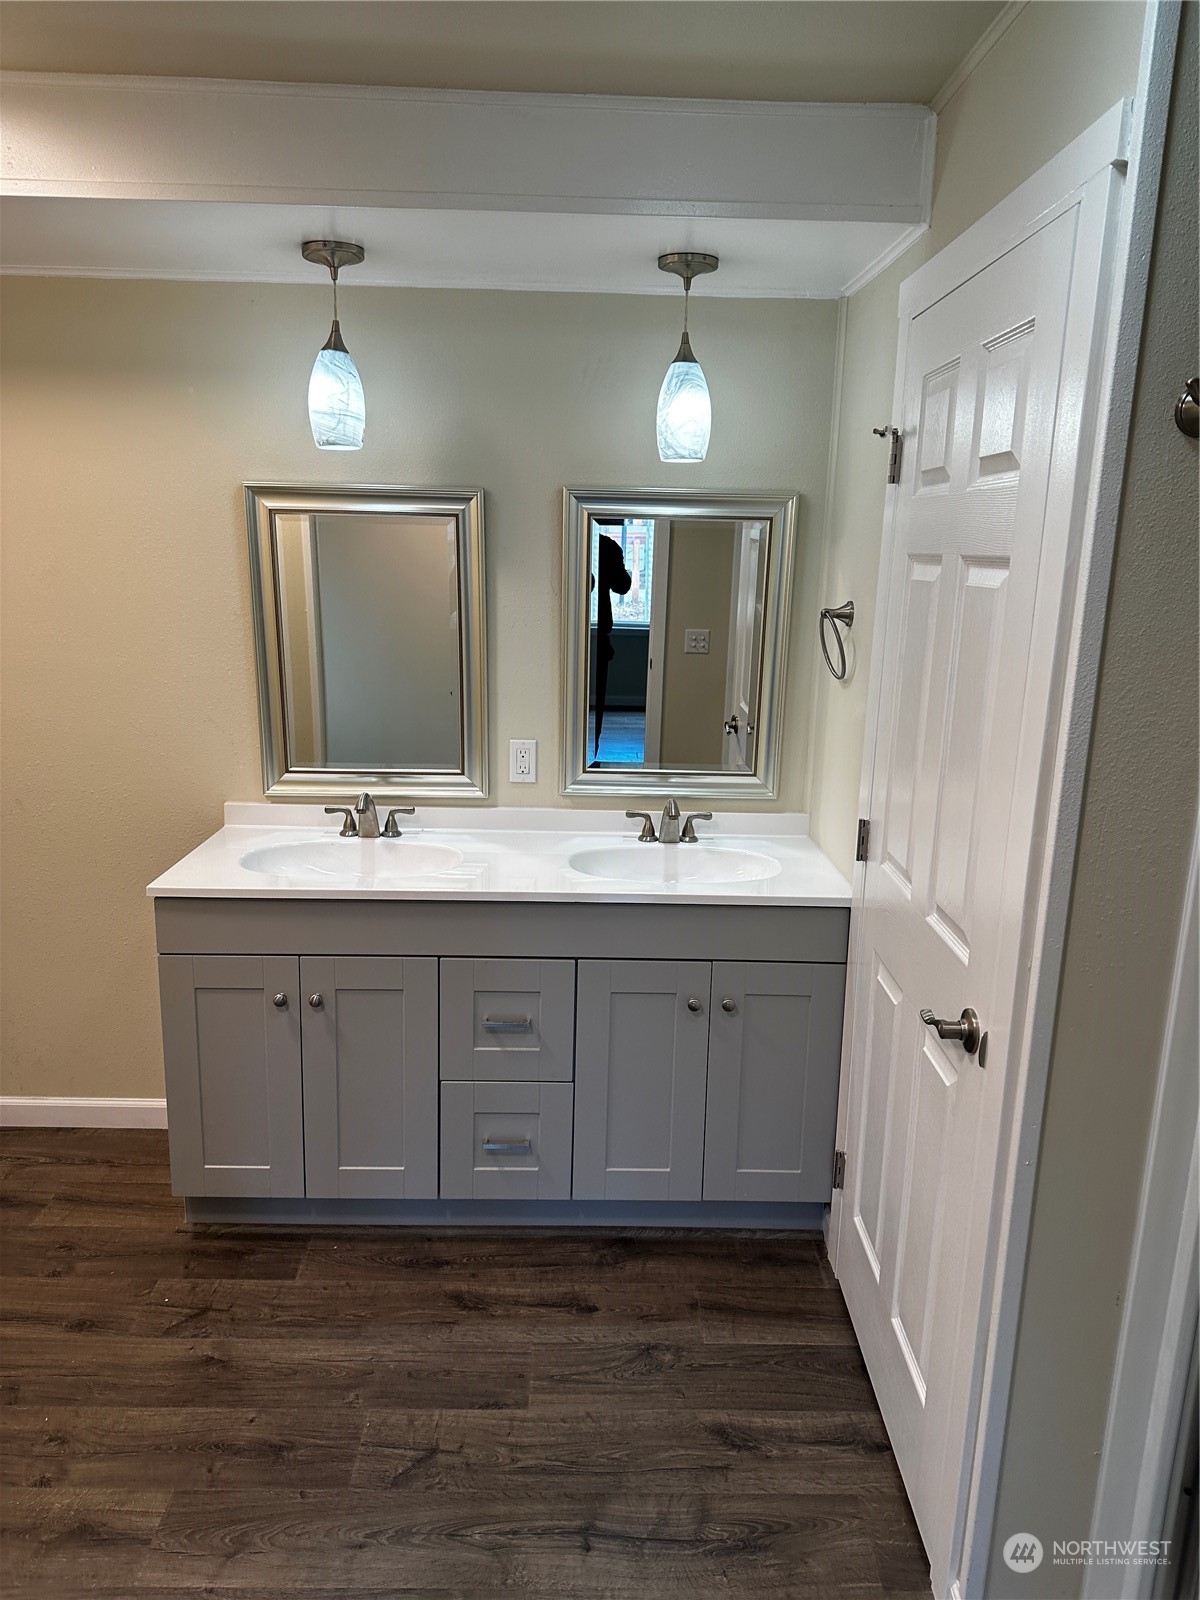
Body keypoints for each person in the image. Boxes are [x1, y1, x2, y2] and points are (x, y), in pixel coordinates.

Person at [591, 528, 632, 757]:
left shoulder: (571, 539)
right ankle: (593, 753)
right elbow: (623, 586)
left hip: (575, 629)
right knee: (598, 700)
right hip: (599, 630)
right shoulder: (607, 546)